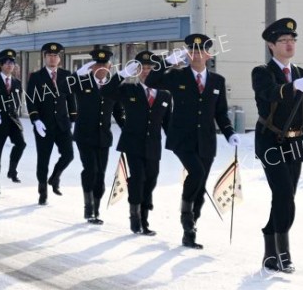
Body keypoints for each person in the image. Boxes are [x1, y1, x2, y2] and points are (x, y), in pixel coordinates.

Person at [145, 34, 240, 249]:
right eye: (192, 51)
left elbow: (221, 112)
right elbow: (151, 81)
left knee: (200, 186)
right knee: (195, 173)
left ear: (208, 54)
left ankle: (191, 229)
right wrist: (166, 62)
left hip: (206, 141)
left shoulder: (217, 81)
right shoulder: (177, 76)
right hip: (182, 138)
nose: (196, 55)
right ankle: (186, 223)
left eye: (200, 51)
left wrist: (229, 132)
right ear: (187, 53)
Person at [252, 18, 303, 273]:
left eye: (292, 40)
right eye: (283, 41)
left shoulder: (301, 74)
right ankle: (283, 253)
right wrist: (292, 87)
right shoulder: (262, 72)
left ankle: (270, 250)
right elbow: (269, 93)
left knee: (286, 198)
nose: (289, 45)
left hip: (296, 142)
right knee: (283, 194)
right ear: (271, 45)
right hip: (271, 141)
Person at [102, 51, 171, 235]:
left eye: (150, 68)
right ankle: (137, 219)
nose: (147, 72)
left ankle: (144, 215)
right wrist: (122, 74)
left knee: (151, 179)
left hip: (153, 145)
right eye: (143, 68)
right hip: (133, 143)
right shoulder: (129, 90)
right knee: (138, 177)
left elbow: (168, 123)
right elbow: (106, 91)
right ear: (137, 71)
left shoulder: (164, 95)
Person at [65, 48, 125, 224]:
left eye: (104, 64)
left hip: (103, 137)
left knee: (101, 175)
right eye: (97, 65)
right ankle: (88, 208)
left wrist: (127, 128)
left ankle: (96, 209)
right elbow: (63, 88)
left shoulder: (113, 87)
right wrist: (77, 74)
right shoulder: (82, 83)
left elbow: (118, 111)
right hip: (84, 136)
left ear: (109, 66)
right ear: (91, 67)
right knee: (91, 170)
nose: (101, 68)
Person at [26, 42, 77, 205]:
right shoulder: (36, 77)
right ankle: (42, 192)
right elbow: (30, 101)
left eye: (55, 55)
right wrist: (35, 120)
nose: (53, 58)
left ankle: (55, 177)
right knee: (43, 160)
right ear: (45, 57)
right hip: (44, 125)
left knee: (69, 155)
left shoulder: (66, 75)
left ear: (59, 58)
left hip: (63, 124)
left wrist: (73, 118)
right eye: (49, 55)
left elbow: (70, 98)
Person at [0, 49, 27, 194]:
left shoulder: (17, 82)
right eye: (7, 63)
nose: (10, 65)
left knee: (21, 144)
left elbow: (17, 101)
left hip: (13, 121)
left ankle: (12, 170)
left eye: (12, 63)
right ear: (1, 65)